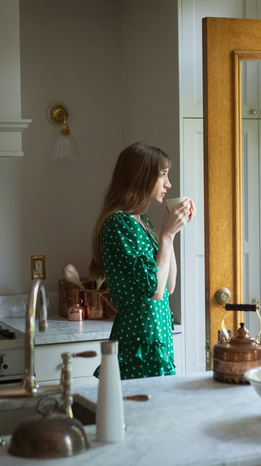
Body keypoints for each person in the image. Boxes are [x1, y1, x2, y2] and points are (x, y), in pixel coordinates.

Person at [90, 142, 195, 379]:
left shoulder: (142, 222)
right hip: (139, 338)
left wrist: (171, 232)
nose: (168, 183)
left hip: (157, 337)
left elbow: (169, 285)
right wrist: (166, 235)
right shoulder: (119, 223)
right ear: (141, 177)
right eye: (162, 175)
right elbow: (155, 290)